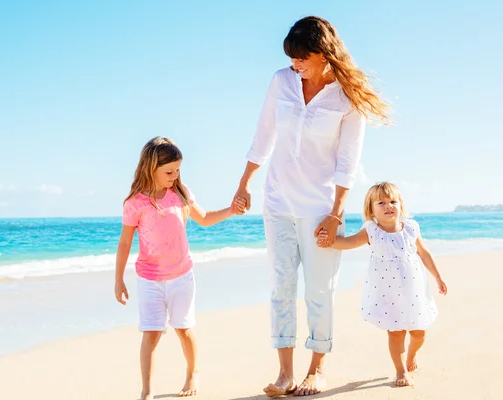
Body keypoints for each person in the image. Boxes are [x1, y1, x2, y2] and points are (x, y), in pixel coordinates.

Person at [233, 16, 390, 396]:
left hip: (320, 208)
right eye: (291, 59)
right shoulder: (281, 82)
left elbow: (347, 161)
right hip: (277, 202)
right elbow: (263, 135)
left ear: (322, 54)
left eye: (301, 58)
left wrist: (336, 214)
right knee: (281, 288)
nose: (294, 65)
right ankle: (285, 373)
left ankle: (316, 370)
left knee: (319, 291)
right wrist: (244, 184)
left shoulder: (346, 96)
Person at [114, 136, 244, 400]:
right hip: (149, 279)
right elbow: (125, 242)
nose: (175, 176)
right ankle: (147, 390)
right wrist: (118, 280)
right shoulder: (135, 203)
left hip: (182, 277)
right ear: (151, 168)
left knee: (184, 329)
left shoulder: (180, 194)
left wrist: (231, 210)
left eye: (177, 170)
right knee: (150, 333)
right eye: (169, 171)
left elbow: (205, 219)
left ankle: (192, 373)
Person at [317, 182, 447, 387]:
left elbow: (424, 253)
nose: (388, 206)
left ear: (400, 205)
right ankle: (400, 371)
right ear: (371, 209)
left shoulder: (411, 228)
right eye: (381, 202)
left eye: (393, 201)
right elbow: (349, 242)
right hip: (388, 293)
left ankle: (411, 355)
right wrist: (329, 241)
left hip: (414, 291)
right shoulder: (371, 231)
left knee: (419, 333)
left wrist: (438, 277)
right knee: (396, 333)